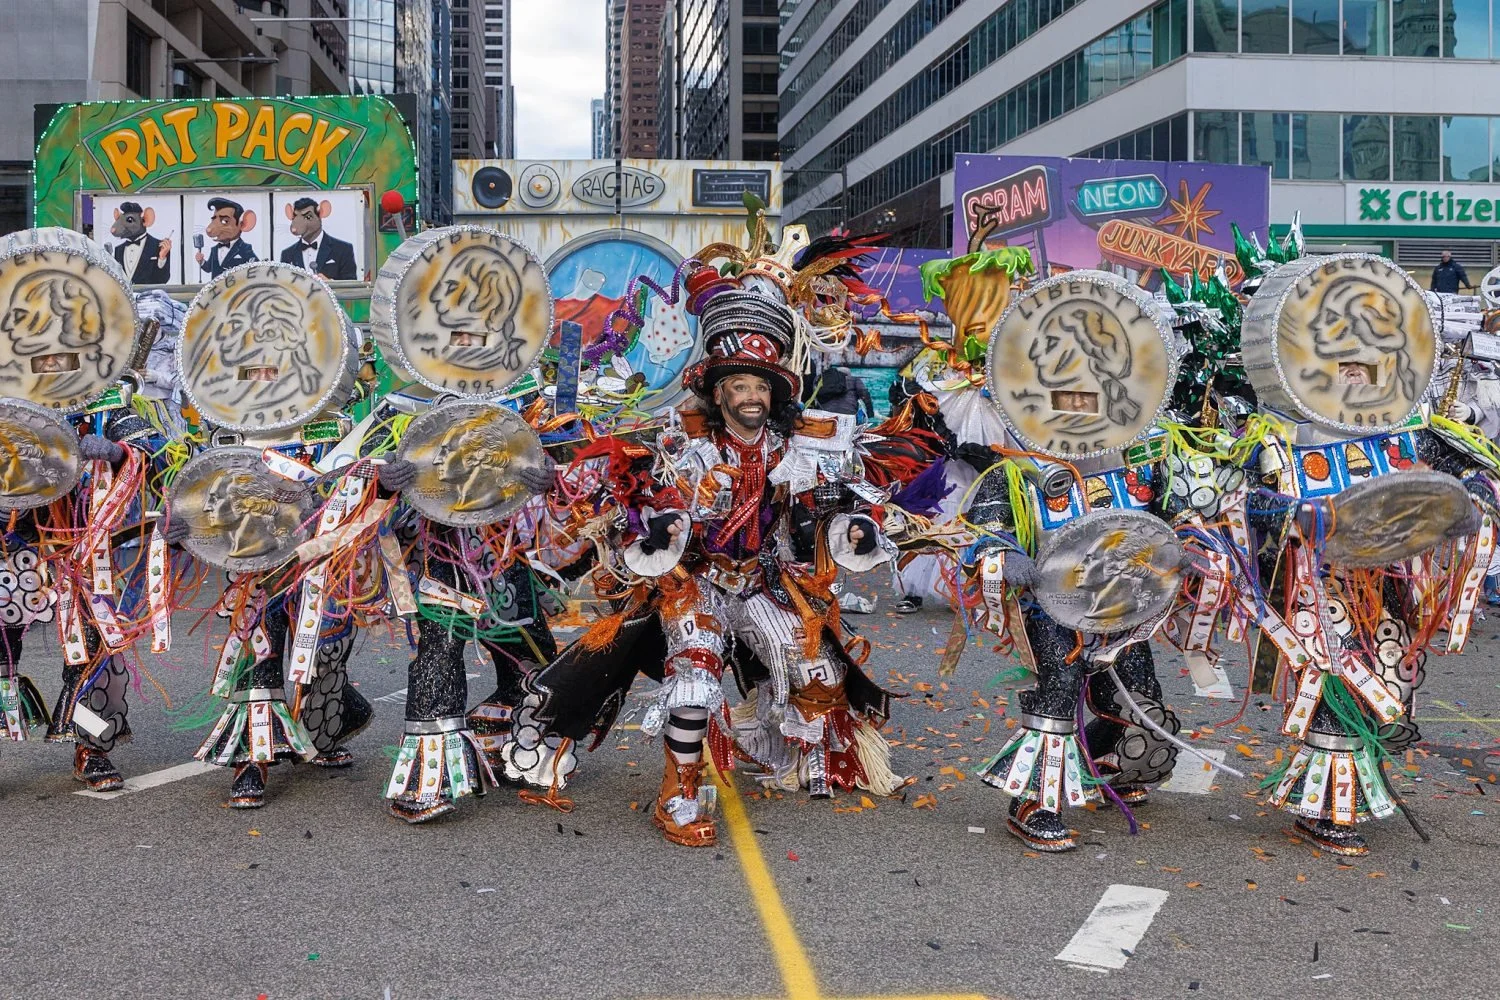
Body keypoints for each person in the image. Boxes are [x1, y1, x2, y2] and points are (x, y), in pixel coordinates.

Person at [278, 197, 357, 281]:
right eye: (295, 217)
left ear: (321, 214)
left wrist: (330, 283)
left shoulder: (343, 249)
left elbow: (351, 284)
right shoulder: (287, 254)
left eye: (308, 217)